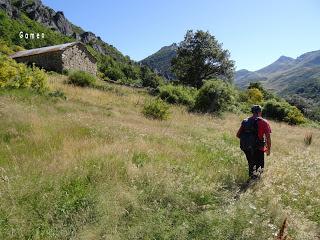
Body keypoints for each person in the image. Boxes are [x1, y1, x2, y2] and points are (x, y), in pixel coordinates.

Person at [236, 105, 272, 179]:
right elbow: (268, 138)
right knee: (259, 167)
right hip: (259, 148)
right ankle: (255, 184)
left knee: (251, 164)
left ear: (252, 112)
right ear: (260, 112)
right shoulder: (263, 122)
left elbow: (238, 135)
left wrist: (248, 140)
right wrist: (268, 149)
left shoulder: (245, 121)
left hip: (247, 148)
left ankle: (251, 180)